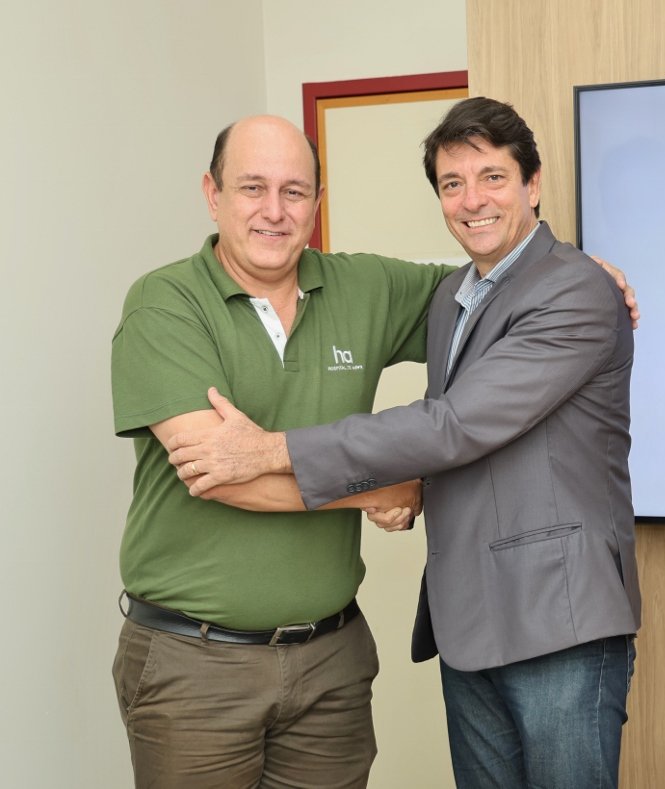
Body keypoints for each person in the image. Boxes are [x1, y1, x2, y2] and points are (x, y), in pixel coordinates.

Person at [111, 113, 637, 788]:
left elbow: (487, 327)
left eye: (294, 191)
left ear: (317, 202)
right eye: (252, 188)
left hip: (337, 657)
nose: (274, 211)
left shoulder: (368, 288)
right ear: (213, 194)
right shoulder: (163, 303)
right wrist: (378, 491)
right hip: (198, 659)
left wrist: (581, 268)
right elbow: (214, 470)